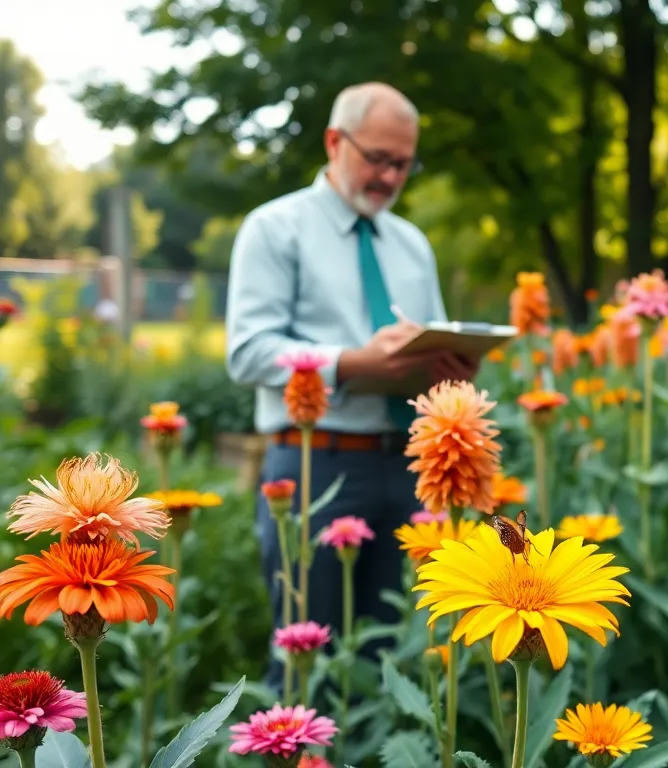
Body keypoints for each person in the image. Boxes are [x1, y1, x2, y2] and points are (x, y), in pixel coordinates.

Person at [224, 82, 477, 691]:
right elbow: (247, 351)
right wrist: (350, 363)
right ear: (335, 142)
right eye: (378, 158)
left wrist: (453, 365)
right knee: (305, 663)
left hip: (407, 468)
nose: (390, 177)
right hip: (314, 469)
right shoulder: (274, 228)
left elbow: (433, 334)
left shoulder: (412, 243)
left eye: (404, 164)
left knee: (392, 665)